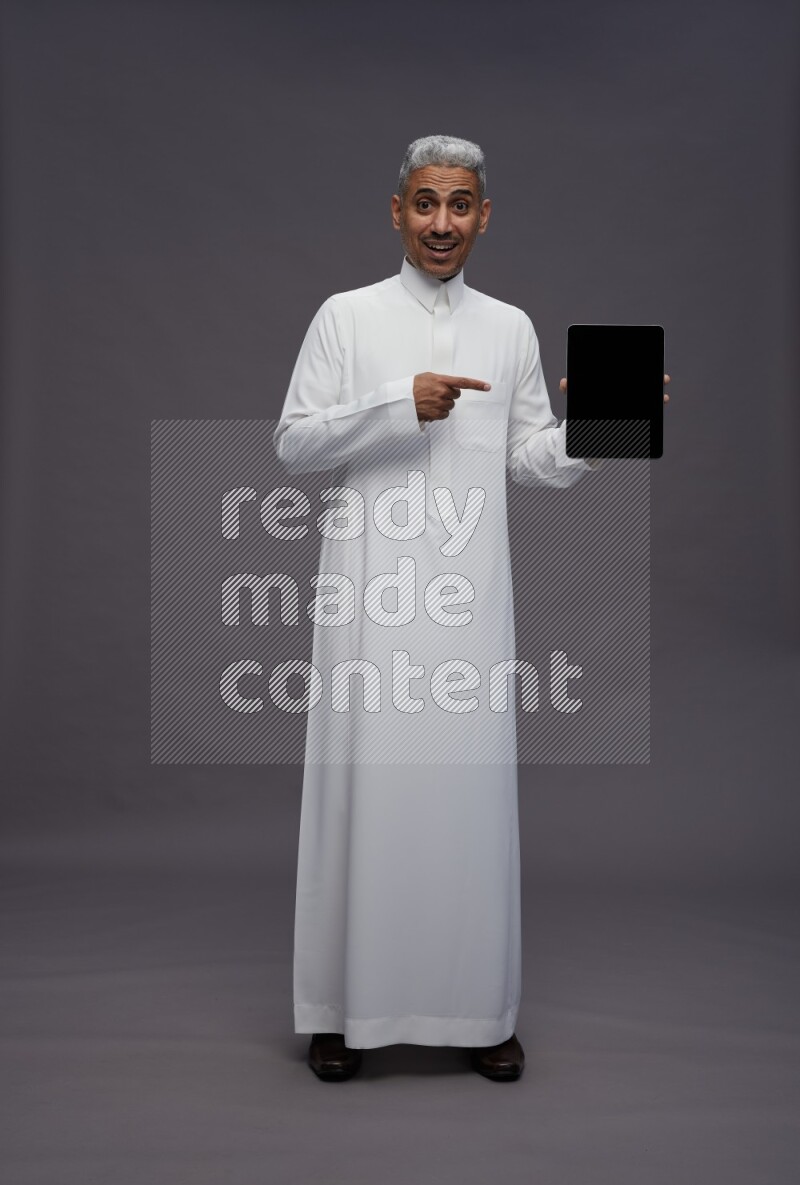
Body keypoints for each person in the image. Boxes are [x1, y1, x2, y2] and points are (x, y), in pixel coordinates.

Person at [273, 134, 670, 1082]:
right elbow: (292, 443)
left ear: (484, 216)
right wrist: (394, 404)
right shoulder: (346, 317)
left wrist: (598, 429)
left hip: (466, 607)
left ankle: (477, 1010)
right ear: (397, 211)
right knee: (359, 796)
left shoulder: (511, 327)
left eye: (460, 205)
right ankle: (341, 1009)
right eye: (424, 203)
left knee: (466, 804)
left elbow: (531, 458)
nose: (441, 222)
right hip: (370, 597)